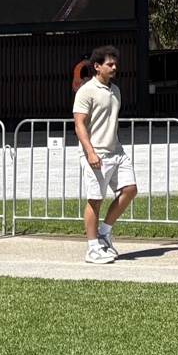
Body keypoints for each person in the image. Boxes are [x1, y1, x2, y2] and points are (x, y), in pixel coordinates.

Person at [72, 45, 135, 264]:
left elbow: (113, 121)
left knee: (130, 190)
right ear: (97, 66)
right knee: (95, 200)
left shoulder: (115, 90)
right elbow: (79, 125)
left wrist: (118, 142)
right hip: (96, 153)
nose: (114, 67)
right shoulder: (86, 90)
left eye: (115, 64)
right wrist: (90, 153)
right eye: (110, 64)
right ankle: (92, 248)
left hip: (116, 151)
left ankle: (104, 233)